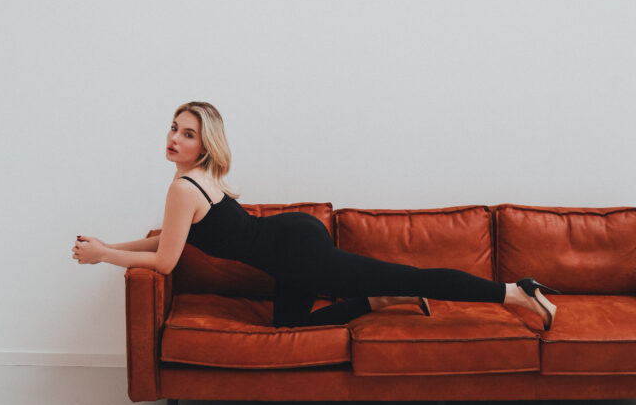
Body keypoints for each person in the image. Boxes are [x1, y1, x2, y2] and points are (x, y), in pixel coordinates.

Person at [72, 100, 559, 330]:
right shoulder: (193, 180)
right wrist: (110, 244)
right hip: (288, 244)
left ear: (205, 145)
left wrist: (104, 256)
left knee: (408, 273)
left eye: (187, 133)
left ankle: (515, 292)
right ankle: (382, 301)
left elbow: (165, 261)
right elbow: (166, 240)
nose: (174, 138)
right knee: (288, 324)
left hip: (295, 251)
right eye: (173, 128)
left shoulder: (184, 187)